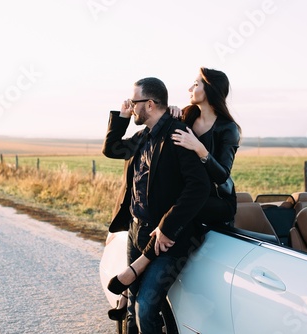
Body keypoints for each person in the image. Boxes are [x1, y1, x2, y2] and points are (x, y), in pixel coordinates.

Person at [106, 67, 241, 314]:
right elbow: (160, 124)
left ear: (209, 89)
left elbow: (221, 175)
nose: (190, 88)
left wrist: (200, 149)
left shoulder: (227, 128)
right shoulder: (186, 117)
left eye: (196, 84)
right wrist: (153, 112)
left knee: (168, 225)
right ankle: (129, 291)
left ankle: (134, 272)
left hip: (213, 201)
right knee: (163, 220)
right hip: (187, 200)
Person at [102, 77, 211, 333]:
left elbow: (199, 187)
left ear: (149, 104)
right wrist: (122, 116)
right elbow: (111, 148)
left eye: (134, 101)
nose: (130, 105)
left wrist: (167, 226)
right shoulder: (141, 136)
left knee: (146, 309)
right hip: (135, 231)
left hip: (166, 239)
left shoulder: (178, 135)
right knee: (132, 307)